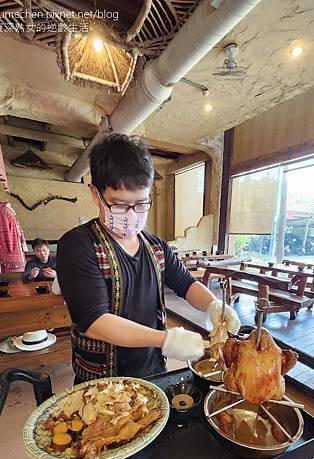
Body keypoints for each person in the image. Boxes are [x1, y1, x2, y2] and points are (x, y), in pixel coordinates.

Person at [56, 134, 240, 384]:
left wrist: (214, 305)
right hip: (102, 381)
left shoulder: (155, 247)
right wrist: (165, 339)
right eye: (120, 205)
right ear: (96, 195)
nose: (131, 215)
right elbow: (94, 321)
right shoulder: (78, 245)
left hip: (153, 370)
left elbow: (186, 284)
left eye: (141, 204)